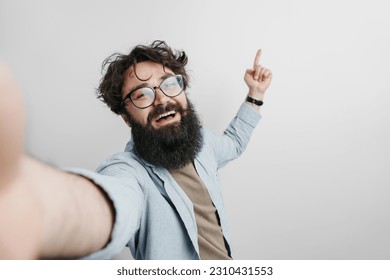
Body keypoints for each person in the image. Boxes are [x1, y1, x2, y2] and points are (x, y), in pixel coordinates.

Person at [0, 41, 272, 260]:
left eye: (169, 84)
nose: (163, 99)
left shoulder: (204, 146)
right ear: (126, 117)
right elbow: (110, 202)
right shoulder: (129, 173)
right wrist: (37, 210)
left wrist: (255, 94)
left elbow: (235, 142)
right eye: (142, 95)